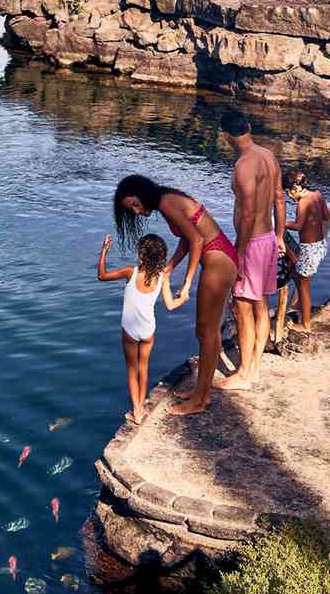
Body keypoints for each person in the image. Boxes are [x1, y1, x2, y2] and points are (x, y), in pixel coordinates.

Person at [111, 174, 238, 416]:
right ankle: (201, 392)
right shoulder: (168, 199)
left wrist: (188, 282)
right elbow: (187, 239)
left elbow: (198, 239)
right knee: (206, 332)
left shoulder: (167, 202)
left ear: (143, 193)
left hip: (217, 259)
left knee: (206, 332)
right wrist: (171, 266)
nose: (137, 212)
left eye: (136, 204)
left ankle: (200, 400)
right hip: (219, 256)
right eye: (132, 210)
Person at [214, 109, 283, 393]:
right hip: (268, 238)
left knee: (242, 306)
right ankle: (254, 368)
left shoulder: (244, 165)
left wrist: (238, 254)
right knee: (261, 305)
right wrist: (279, 236)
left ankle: (243, 374)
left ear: (227, 136)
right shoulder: (268, 155)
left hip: (252, 244)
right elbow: (278, 198)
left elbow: (248, 215)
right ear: (249, 127)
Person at [96, 232, 189, 423]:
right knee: (143, 368)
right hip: (148, 330)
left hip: (129, 330)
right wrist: (184, 299)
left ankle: (137, 412)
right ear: (161, 257)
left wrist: (104, 250)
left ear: (141, 254)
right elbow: (170, 305)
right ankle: (141, 407)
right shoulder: (162, 278)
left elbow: (102, 276)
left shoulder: (131, 272)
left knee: (132, 370)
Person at [283, 171, 330, 332]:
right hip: (320, 245)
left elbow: (298, 226)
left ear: (295, 188)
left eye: (288, 192)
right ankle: (300, 308)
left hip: (309, 249)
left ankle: (305, 325)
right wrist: (313, 219)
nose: (289, 196)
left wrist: (282, 223)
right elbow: (326, 216)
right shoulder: (317, 195)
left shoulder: (303, 202)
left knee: (304, 290)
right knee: (295, 273)